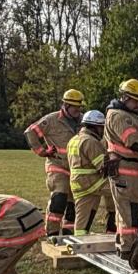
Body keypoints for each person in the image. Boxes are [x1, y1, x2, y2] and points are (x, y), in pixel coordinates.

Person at [104, 79, 138, 256]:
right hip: (123, 172)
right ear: (125, 97)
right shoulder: (118, 116)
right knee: (126, 213)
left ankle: (129, 243)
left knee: (133, 211)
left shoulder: (131, 116)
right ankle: (127, 248)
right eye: (137, 101)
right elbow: (132, 142)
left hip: (133, 172)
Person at [24, 90, 85, 237]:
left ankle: (68, 233)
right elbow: (30, 132)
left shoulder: (83, 120)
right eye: (74, 106)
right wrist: (41, 151)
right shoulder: (51, 120)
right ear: (65, 105)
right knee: (59, 198)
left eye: (79, 107)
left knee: (73, 204)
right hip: (57, 165)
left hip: (76, 168)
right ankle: (51, 232)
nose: (78, 110)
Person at [67, 110, 117, 237]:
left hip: (78, 183)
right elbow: (103, 166)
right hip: (92, 182)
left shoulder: (73, 139)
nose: (102, 131)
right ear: (95, 127)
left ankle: (80, 239)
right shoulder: (91, 142)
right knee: (121, 190)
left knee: (83, 217)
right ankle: (120, 227)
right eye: (101, 128)